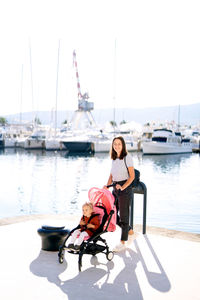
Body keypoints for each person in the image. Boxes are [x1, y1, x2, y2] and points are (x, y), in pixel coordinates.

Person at [104, 136, 135, 252]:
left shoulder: (127, 157)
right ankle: (130, 231)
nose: (116, 146)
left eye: (119, 144)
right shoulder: (113, 158)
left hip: (125, 189)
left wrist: (123, 187)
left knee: (124, 216)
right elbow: (111, 175)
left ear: (123, 145)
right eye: (114, 144)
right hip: (115, 188)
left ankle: (123, 242)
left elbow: (132, 176)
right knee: (111, 214)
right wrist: (106, 187)